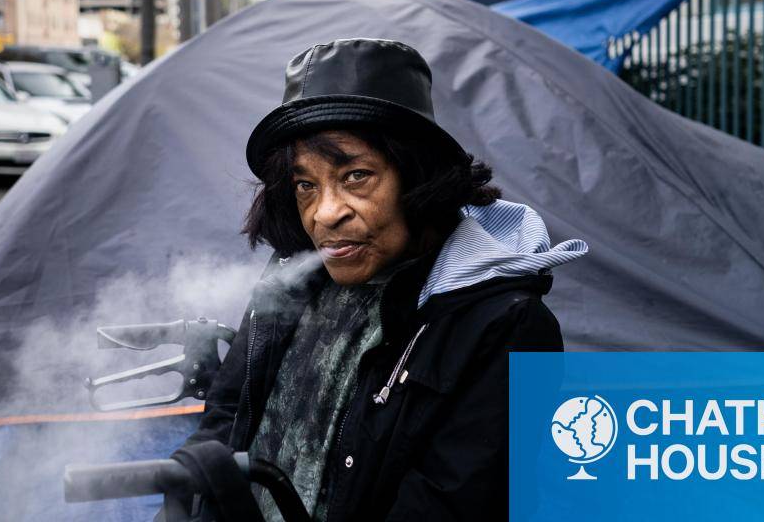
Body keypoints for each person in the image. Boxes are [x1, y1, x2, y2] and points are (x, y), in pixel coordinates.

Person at [178, 38, 587, 521]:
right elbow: (230, 414)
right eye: (306, 186)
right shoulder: (291, 278)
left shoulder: (505, 326)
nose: (325, 214)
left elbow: (449, 505)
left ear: (417, 177)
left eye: (355, 176)